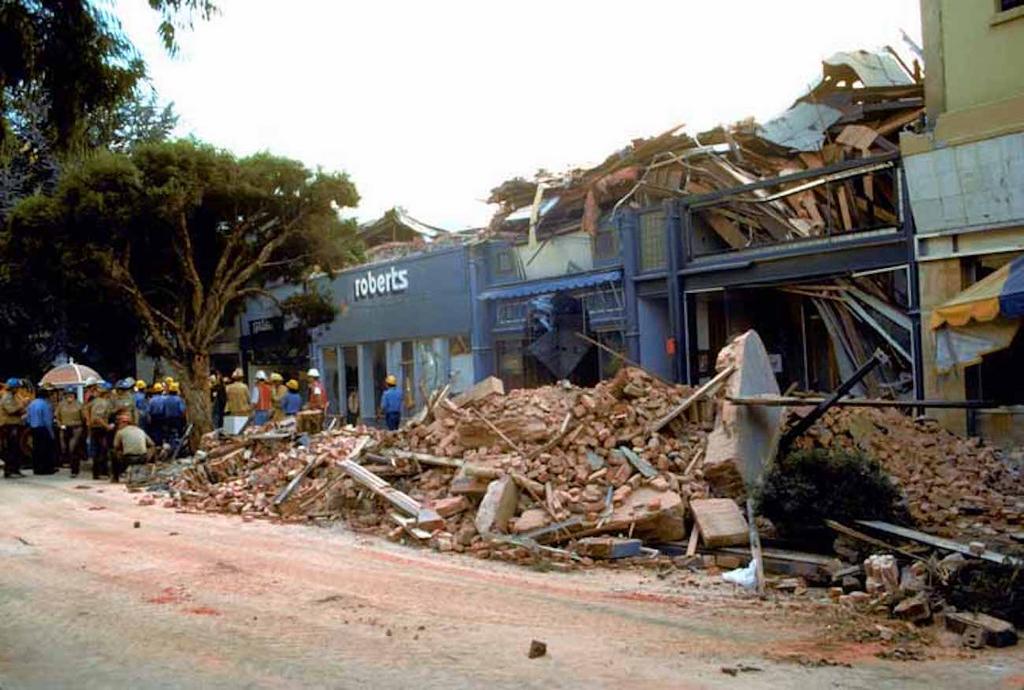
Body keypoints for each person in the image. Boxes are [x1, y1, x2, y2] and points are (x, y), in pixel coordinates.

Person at [111, 412, 154, 483]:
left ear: (122, 423)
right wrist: (148, 455)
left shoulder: (120, 432)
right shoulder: (140, 430)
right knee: (153, 448)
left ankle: (115, 478)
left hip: (129, 459)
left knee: (112, 453)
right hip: (142, 458)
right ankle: (149, 470)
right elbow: (152, 444)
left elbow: (115, 446)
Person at [84, 382, 114, 479]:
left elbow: (85, 409)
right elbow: (97, 417)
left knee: (96, 451)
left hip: (94, 428)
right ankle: (102, 472)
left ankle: (96, 473)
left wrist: (88, 421)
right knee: (102, 451)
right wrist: (107, 426)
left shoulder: (94, 401)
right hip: (100, 429)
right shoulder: (102, 403)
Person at [26, 384, 57, 475]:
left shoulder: (32, 404)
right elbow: (47, 420)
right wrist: (51, 433)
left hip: (33, 429)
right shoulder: (45, 404)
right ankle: (46, 469)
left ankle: (36, 469)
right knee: (46, 450)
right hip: (43, 429)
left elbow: (28, 418)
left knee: (36, 449)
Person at [0, 378, 26, 478]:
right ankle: (9, 470)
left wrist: (22, 408)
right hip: (8, 426)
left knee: (16, 449)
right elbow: (10, 410)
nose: (18, 389)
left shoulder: (13, 396)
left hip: (14, 424)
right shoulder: (7, 397)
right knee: (10, 448)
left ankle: (15, 469)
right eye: (17, 387)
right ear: (13, 388)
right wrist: (22, 405)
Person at [56, 388, 85, 477]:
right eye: (68, 395)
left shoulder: (79, 405)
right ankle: (68, 463)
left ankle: (74, 470)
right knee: (64, 448)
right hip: (64, 428)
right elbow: (57, 417)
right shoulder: (61, 405)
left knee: (73, 448)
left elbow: (83, 417)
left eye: (71, 395)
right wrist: (60, 424)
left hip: (76, 428)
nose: (69, 397)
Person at [163, 381, 187, 451]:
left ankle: (169, 447)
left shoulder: (166, 399)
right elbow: (182, 410)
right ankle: (177, 448)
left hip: (167, 419)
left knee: (169, 434)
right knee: (179, 434)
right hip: (177, 419)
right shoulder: (179, 400)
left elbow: (163, 409)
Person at [147, 382, 166, 446]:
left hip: (154, 417)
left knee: (156, 430)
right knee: (163, 430)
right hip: (163, 416)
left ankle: (157, 443)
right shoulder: (165, 399)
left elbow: (149, 410)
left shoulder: (152, 400)